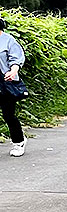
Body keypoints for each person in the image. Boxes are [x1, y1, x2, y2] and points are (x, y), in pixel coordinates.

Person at [0, 17, 25, 157]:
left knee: (8, 115)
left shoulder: (8, 40)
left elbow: (16, 58)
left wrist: (13, 71)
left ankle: (19, 142)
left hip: (6, 83)